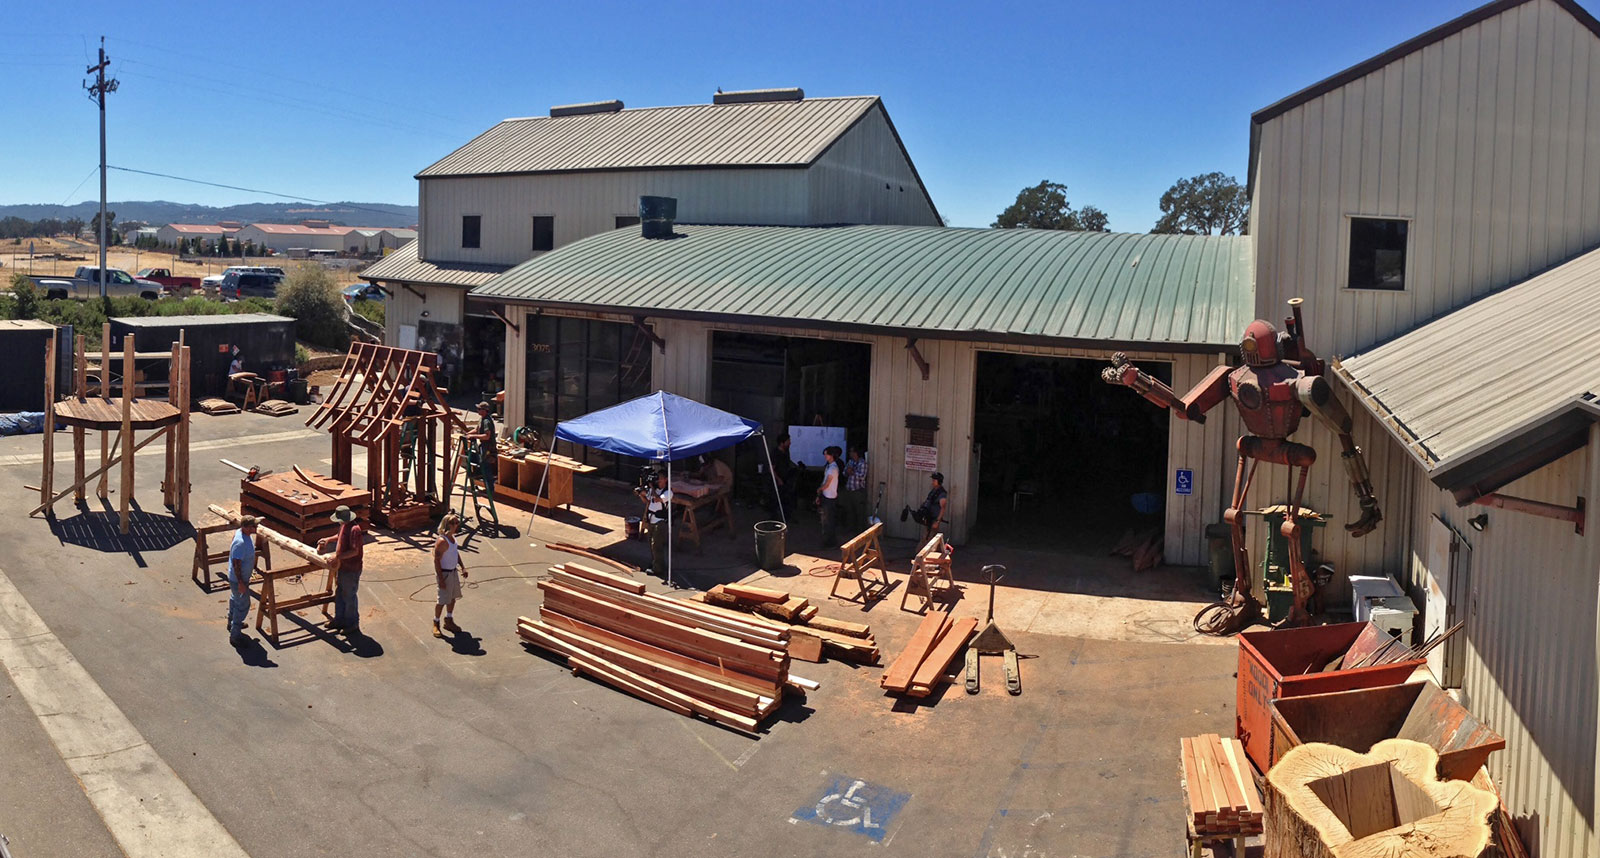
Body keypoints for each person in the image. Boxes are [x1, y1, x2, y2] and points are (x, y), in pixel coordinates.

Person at [318, 505, 366, 634]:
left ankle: (352, 623)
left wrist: (337, 557)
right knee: (340, 593)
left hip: (351, 568)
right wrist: (328, 540)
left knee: (349, 595)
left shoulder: (354, 530)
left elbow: (355, 551)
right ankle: (339, 619)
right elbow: (339, 536)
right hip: (343, 567)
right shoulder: (344, 526)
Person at [464, 401, 500, 530]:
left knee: (486, 469)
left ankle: (490, 489)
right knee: (481, 465)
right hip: (483, 448)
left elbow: (486, 436)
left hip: (488, 449)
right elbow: (477, 429)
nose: (478, 411)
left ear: (485, 410)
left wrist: (473, 436)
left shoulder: (487, 421)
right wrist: (469, 433)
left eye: (480, 409)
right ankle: (485, 484)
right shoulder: (482, 420)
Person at [432, 513, 468, 638]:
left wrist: (462, 567)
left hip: (453, 572)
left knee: (452, 597)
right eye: (456, 523)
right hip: (445, 573)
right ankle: (436, 622)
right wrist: (441, 579)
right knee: (442, 600)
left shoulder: (453, 539)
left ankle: (449, 620)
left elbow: (455, 552)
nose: (458, 525)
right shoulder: (442, 541)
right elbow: (436, 560)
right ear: (449, 525)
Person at [227, 516, 259, 646]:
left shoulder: (242, 534)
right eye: (253, 526)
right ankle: (235, 634)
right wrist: (240, 582)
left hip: (238, 578)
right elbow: (236, 563)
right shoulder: (241, 543)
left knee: (235, 599)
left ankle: (232, 622)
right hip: (238, 579)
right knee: (243, 605)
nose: (256, 528)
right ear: (245, 527)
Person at [635, 469, 673, 576]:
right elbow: (648, 501)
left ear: (666, 479)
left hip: (660, 522)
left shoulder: (668, 492)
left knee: (656, 545)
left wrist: (651, 487)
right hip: (651, 520)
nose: (658, 481)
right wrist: (640, 494)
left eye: (660, 479)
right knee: (651, 545)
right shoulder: (654, 490)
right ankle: (656, 563)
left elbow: (657, 500)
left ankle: (658, 569)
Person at [903, 472, 949, 541]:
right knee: (932, 539)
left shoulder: (941, 493)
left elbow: (943, 508)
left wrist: (937, 521)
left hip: (934, 520)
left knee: (929, 539)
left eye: (934, 480)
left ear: (939, 481)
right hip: (929, 518)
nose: (932, 482)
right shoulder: (934, 491)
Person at [816, 446, 842, 548]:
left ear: (831, 456)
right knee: (825, 520)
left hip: (830, 497)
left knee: (828, 520)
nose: (825, 456)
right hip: (826, 495)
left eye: (826, 454)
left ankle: (830, 542)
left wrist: (819, 489)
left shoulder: (833, 468)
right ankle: (827, 540)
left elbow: (827, 484)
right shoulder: (829, 467)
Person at [841, 445, 868, 534]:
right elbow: (844, 472)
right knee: (849, 510)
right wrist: (847, 472)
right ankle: (849, 528)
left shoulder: (862, 463)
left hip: (858, 491)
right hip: (849, 489)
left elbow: (862, 476)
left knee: (859, 511)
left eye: (851, 451)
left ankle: (860, 531)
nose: (850, 453)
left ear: (856, 453)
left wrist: (852, 472)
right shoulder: (850, 462)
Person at [769, 433, 798, 515]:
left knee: (786, 499)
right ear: (782, 443)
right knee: (776, 500)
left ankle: (786, 516)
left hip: (785, 479)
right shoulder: (775, 453)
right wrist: (778, 479)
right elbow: (771, 468)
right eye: (788, 441)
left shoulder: (785, 452)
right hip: (778, 481)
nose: (790, 443)